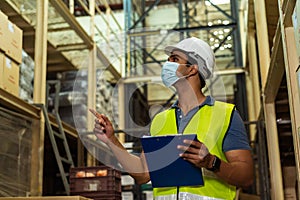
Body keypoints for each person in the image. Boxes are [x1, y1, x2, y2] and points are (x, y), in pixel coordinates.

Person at [90, 37, 253, 200]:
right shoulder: (160, 120)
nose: (167, 64)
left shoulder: (225, 114)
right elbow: (143, 174)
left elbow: (246, 177)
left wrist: (212, 162)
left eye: (174, 59)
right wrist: (111, 139)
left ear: (192, 69)